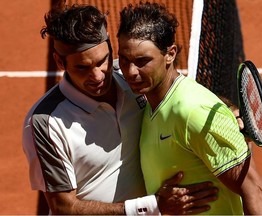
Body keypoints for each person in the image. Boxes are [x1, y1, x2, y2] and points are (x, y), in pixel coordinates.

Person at [22, 3, 219, 215]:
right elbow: (63, 207)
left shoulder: (131, 78)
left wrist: (222, 111)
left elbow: (178, 92)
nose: (98, 76)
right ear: (60, 62)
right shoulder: (45, 122)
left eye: (102, 61)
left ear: (110, 47)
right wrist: (153, 206)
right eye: (83, 67)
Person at [117, 1, 262, 215]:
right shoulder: (151, 103)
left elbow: (257, 191)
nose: (130, 71)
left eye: (142, 61)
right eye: (124, 60)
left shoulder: (193, 112)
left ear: (170, 54)